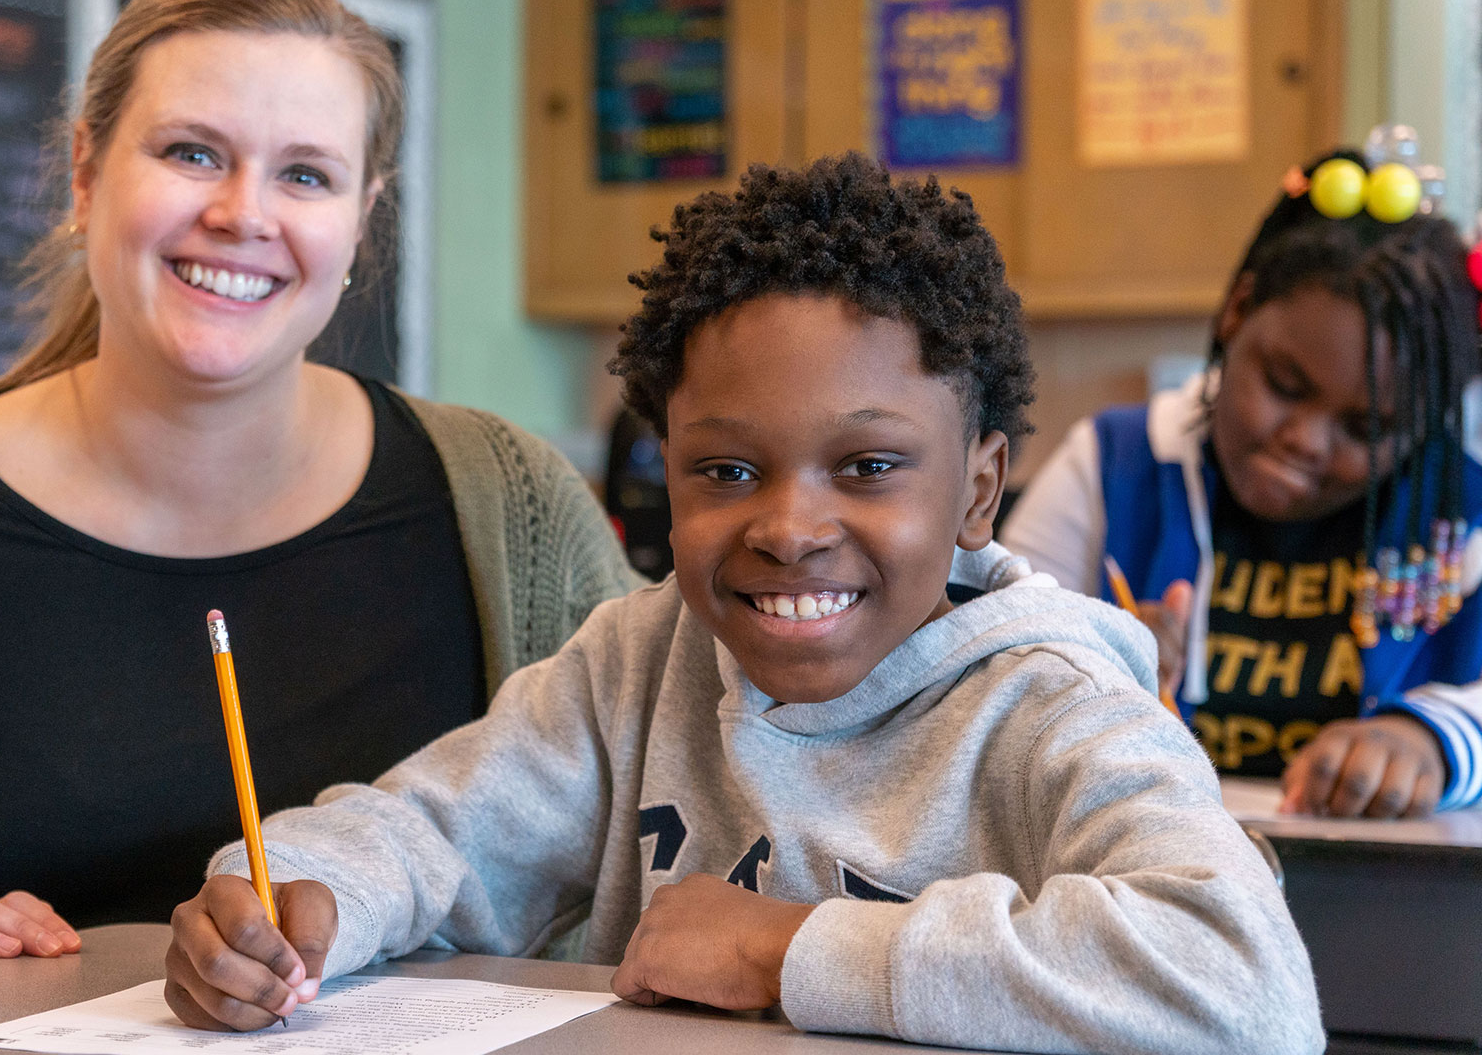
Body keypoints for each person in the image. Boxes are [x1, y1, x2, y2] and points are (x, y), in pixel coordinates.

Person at [161, 156, 1323, 1053]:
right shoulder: (641, 658)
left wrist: (792, 953)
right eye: (725, 472)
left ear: (978, 491)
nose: (786, 528)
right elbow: (436, 834)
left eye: (868, 468)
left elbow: (1248, 987)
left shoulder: (1048, 702)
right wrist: (292, 898)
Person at [0, 0, 637, 1001]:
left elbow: (664, 871)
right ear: (84, 172)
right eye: (192, 152)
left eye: (305, 175)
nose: (243, 212)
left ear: (361, 221)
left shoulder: (521, 512)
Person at [1002, 148, 1482, 818]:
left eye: (1365, 429)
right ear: (1238, 310)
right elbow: (980, 666)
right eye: (1285, 386)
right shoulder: (1113, 463)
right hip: (1142, 869)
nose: (1307, 440)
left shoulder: (1465, 508)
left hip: (1382, 893)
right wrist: (1081, 665)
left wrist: (1433, 741)